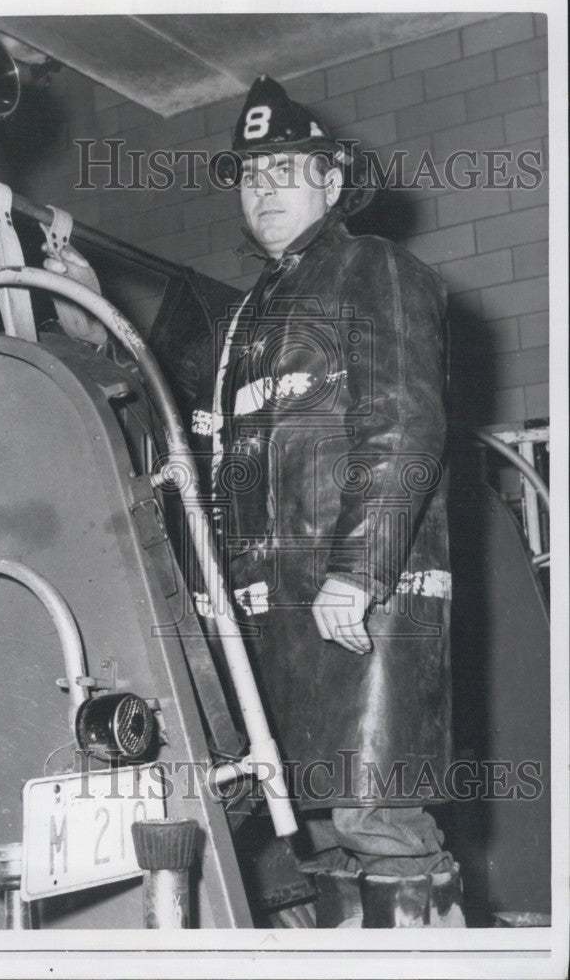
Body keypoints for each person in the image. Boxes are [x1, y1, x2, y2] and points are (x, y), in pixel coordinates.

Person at [191, 75, 465, 928]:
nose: (263, 189)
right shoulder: (253, 314)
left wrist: (360, 569)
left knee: (377, 818)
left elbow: (404, 426)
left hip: (358, 608)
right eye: (250, 175)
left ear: (334, 183)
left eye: (285, 171)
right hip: (281, 621)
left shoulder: (372, 269)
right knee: (317, 831)